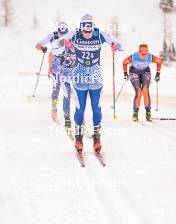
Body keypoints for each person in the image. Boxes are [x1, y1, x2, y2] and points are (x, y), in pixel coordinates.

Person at [59, 14, 122, 153]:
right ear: (81, 28)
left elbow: (120, 45)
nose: (87, 34)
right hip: (79, 75)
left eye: (89, 30)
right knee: (80, 109)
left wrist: (115, 46)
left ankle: (97, 138)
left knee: (96, 108)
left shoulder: (100, 34)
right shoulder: (74, 34)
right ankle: (78, 138)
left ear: (92, 27)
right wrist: (65, 43)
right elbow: (58, 42)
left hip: (95, 76)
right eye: (85, 31)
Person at [35, 22, 76, 129]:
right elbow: (38, 45)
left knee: (67, 91)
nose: (62, 34)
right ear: (58, 30)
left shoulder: (70, 36)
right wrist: (42, 48)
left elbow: (76, 49)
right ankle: (54, 108)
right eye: (60, 32)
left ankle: (67, 115)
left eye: (64, 32)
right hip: (56, 65)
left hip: (67, 65)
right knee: (56, 88)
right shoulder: (53, 35)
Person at [123, 44, 162, 122]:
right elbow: (124, 62)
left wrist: (158, 74)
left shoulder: (150, 56)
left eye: (146, 54)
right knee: (139, 91)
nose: (145, 56)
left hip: (145, 71)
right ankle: (135, 113)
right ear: (139, 52)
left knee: (145, 90)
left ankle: (148, 113)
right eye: (143, 54)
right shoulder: (134, 56)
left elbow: (159, 61)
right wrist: (125, 73)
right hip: (134, 71)